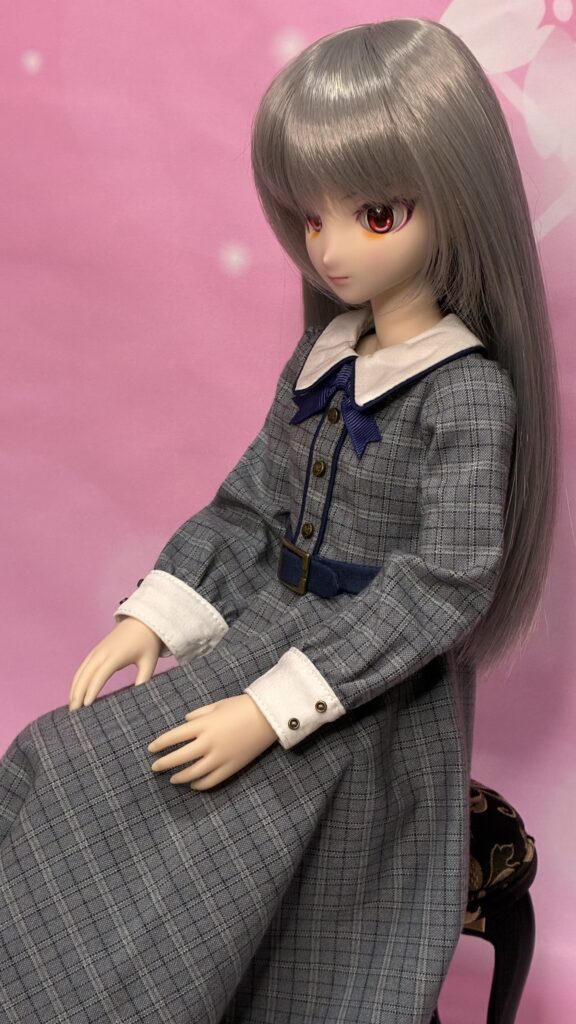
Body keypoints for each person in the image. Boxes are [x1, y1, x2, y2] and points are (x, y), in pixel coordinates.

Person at [0, 17, 559, 1024]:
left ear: (458, 199)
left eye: (375, 214)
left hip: (371, 699)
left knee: (198, 844)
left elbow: (446, 581)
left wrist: (276, 709)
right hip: (264, 638)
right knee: (62, 760)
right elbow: (251, 504)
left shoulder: (465, 391)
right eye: (311, 217)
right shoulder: (324, 359)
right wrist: (156, 615)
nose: (331, 248)